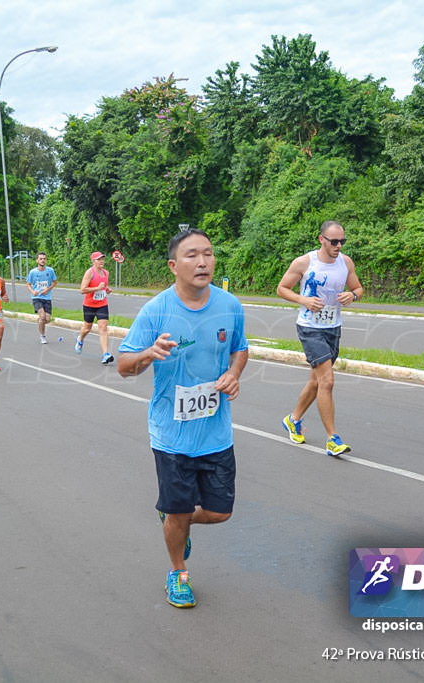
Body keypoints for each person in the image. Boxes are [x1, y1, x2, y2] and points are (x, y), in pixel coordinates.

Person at [117, 227, 248, 609]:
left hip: (216, 432)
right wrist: (148, 353)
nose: (202, 261)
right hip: (171, 434)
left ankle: (176, 521)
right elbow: (124, 366)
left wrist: (234, 374)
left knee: (221, 511)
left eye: (207, 253)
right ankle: (178, 572)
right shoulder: (156, 311)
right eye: (192, 255)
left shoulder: (229, 304)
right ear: (174, 265)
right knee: (177, 509)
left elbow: (240, 349)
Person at [276, 220, 364, 457]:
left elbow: (358, 288)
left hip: (333, 327)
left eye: (342, 241)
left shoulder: (346, 262)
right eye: (334, 241)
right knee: (327, 381)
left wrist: (352, 296)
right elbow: (282, 288)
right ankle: (332, 439)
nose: (338, 246)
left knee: (316, 381)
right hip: (309, 327)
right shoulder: (305, 262)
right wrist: (303, 300)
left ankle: (293, 420)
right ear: (321, 239)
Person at [77, 251, 114, 364]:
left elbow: (104, 286)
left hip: (102, 304)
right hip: (89, 305)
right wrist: (97, 288)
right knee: (87, 328)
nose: (101, 261)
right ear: (93, 261)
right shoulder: (89, 273)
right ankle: (80, 339)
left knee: (103, 328)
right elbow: (82, 290)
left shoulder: (106, 273)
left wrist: (106, 290)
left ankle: (105, 355)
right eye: (99, 259)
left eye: (102, 259)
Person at [26, 251, 57, 344]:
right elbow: (28, 284)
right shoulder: (33, 272)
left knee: (47, 319)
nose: (43, 260)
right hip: (37, 298)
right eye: (41, 259)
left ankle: (40, 321)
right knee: (42, 316)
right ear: (37, 260)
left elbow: (55, 282)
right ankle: (42, 336)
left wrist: (48, 289)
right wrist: (33, 291)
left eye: (44, 259)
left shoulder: (50, 271)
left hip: (47, 297)